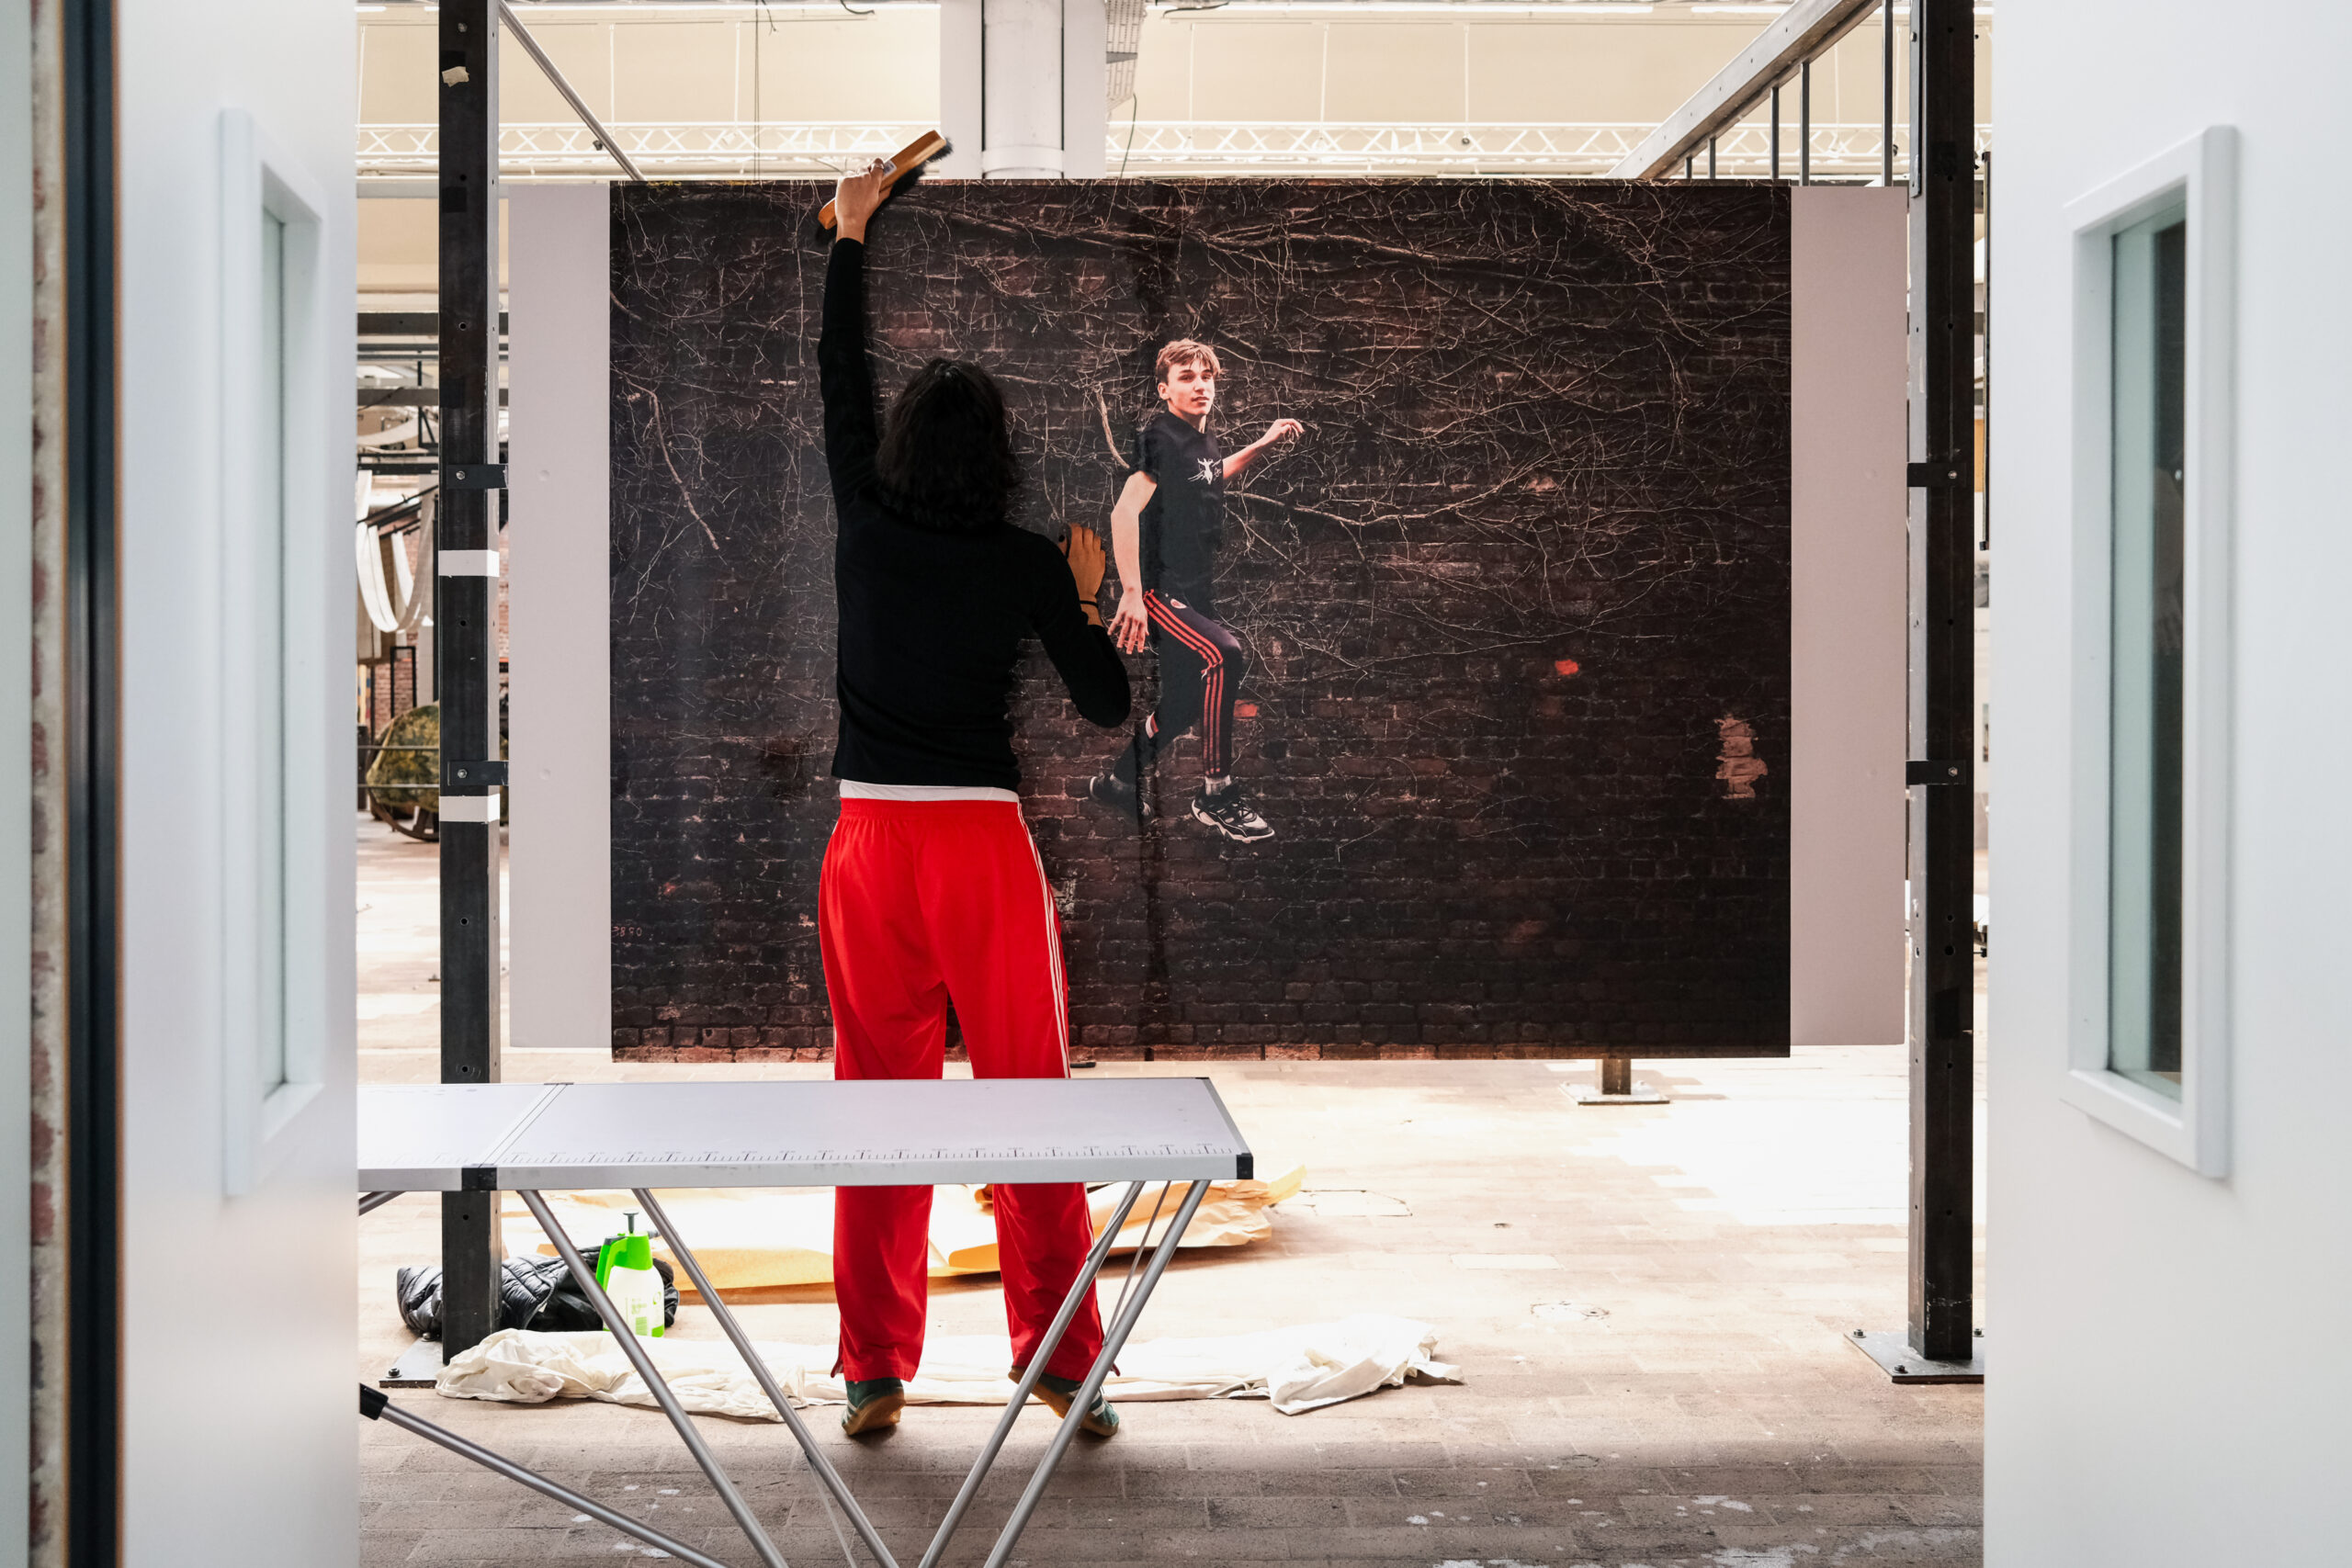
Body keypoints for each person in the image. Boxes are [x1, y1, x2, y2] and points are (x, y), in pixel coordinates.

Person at [819, 163, 1131, 1438]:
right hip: (977, 850)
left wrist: (849, 235)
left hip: (868, 842)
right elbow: (1107, 704)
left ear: (895, 450)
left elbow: (835, 376)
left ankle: (874, 1372)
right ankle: (1058, 1361)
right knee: (1028, 1093)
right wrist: (1090, 585)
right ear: (998, 456)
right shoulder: (1023, 564)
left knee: (876, 1104)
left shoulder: (860, 518)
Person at [1086, 341, 1303, 841]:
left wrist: (1261, 444)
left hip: (1194, 590)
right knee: (1225, 654)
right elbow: (1124, 511)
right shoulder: (1163, 436)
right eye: (1186, 377)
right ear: (1164, 390)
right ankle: (1216, 793)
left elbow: (1211, 476)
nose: (1201, 384)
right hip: (1163, 590)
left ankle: (1118, 782)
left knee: (1184, 702)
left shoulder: (1199, 443)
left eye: (1207, 375)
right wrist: (1133, 594)